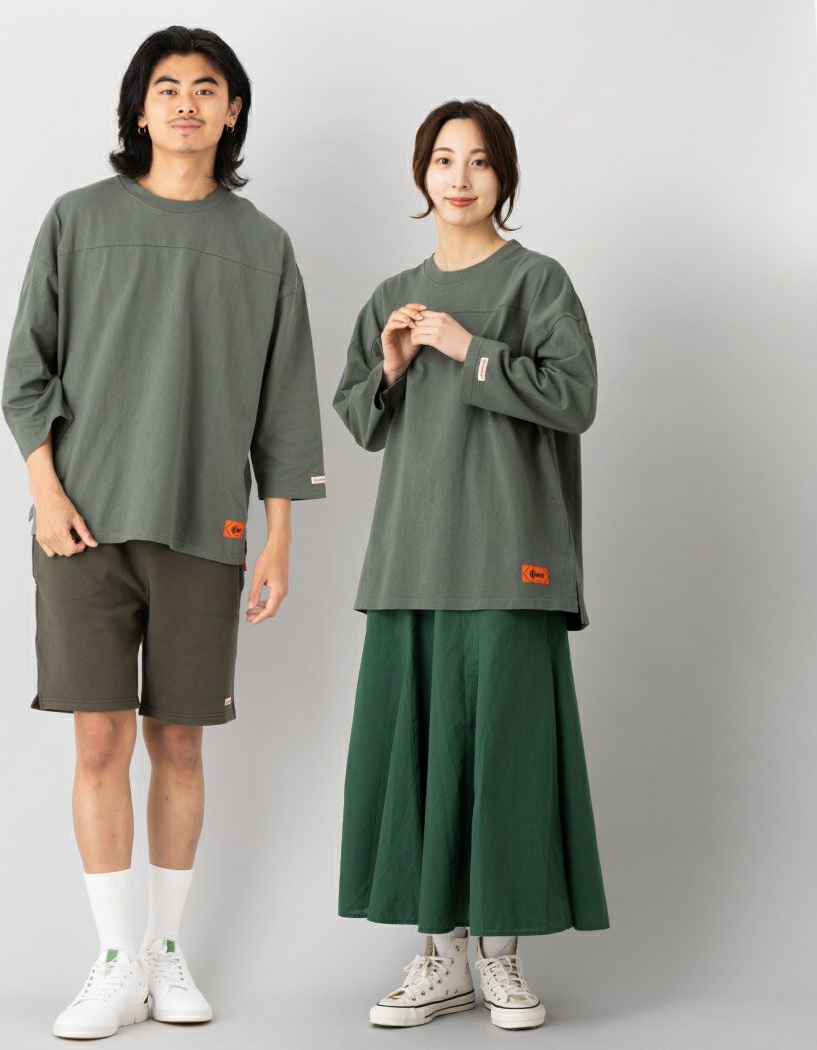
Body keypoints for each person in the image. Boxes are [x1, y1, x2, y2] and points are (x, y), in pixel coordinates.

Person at [1, 25, 326, 1039]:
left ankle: (166, 953)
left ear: (234, 110)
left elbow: (285, 404)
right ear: (138, 109)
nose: (187, 101)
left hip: (204, 526)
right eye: (168, 86)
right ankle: (112, 962)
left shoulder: (263, 246)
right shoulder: (78, 219)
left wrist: (279, 537)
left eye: (207, 87)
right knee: (98, 739)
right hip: (82, 530)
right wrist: (48, 493)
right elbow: (26, 373)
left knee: (179, 741)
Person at [332, 99, 609, 1032]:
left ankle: (501, 957)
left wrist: (471, 351)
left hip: (508, 555)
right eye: (444, 159)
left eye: (480, 160)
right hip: (411, 559)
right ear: (422, 174)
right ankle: (439, 957)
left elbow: (576, 399)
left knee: (506, 757)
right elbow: (359, 419)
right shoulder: (394, 294)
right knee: (419, 758)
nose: (459, 177)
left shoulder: (538, 282)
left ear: (504, 176)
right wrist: (394, 364)